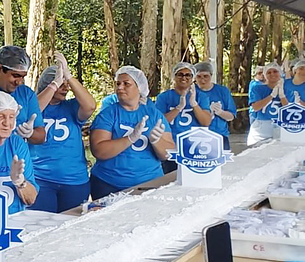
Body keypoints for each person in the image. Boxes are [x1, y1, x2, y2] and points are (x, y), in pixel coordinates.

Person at [89, 66, 175, 199]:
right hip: (108, 184)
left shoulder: (153, 114)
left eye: (126, 84)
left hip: (149, 184)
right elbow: (99, 151)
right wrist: (130, 138)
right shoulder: (108, 114)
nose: (120, 87)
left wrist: (157, 141)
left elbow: (168, 154)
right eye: (118, 83)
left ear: (139, 88)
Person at [30, 53, 96, 213]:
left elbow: (90, 106)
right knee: (41, 226)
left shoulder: (72, 107)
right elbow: (29, 112)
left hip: (74, 180)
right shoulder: (34, 105)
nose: (65, 88)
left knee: (70, 227)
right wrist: (54, 84)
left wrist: (69, 77)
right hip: (40, 179)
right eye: (61, 84)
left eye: (66, 85)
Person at [156, 62, 213, 173]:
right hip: (171, 146)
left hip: (194, 146)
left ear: (193, 78)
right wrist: (178, 108)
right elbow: (159, 123)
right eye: (180, 74)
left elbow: (206, 122)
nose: (184, 77)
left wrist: (194, 103)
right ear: (174, 77)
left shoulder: (201, 96)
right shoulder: (163, 97)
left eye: (188, 75)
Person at [194, 62, 236, 151]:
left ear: (211, 75)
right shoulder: (191, 92)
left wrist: (220, 112)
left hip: (219, 134)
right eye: (199, 76)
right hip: (196, 136)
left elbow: (231, 116)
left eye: (206, 76)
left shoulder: (223, 91)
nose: (202, 80)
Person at [247, 62, 286, 146]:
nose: (272, 74)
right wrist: (271, 96)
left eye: (275, 71)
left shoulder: (287, 89)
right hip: (261, 128)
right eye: (269, 72)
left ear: (280, 73)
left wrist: (282, 95)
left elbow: (288, 110)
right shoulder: (257, 88)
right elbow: (256, 107)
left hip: (281, 126)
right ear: (265, 75)